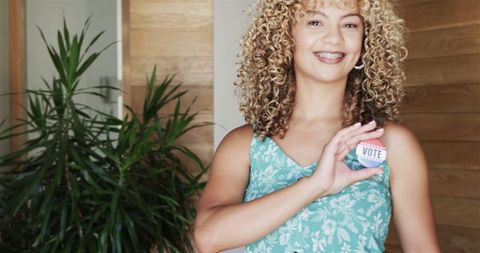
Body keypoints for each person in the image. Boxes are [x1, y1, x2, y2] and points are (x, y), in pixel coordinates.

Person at [194, 0, 441, 252]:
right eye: (315, 22)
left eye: (349, 24)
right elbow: (208, 237)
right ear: (285, 35)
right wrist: (315, 186)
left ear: (366, 39)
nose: (334, 38)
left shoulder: (392, 143)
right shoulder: (245, 144)